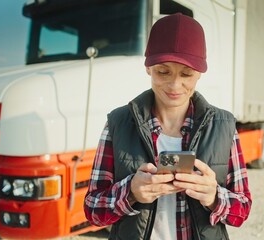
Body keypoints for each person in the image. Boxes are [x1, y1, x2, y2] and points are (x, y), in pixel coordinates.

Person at [84, 13, 252, 240]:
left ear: (200, 73)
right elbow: (93, 211)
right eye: (163, 71)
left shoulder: (224, 126)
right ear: (148, 67)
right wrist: (130, 192)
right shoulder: (118, 123)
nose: (175, 85)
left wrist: (214, 196)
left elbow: (242, 210)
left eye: (186, 74)